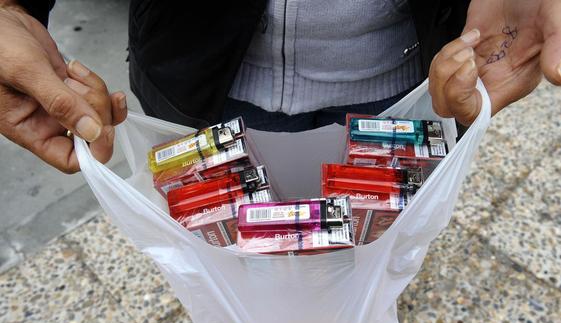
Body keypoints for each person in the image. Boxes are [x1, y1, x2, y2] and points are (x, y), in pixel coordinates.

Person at [0, 0, 560, 174]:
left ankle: (366, 306)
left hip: (403, 77)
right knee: (225, 220)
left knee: (381, 220)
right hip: (195, 72)